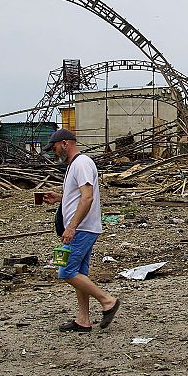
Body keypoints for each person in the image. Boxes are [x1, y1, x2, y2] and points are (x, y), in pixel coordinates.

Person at [42, 129, 120, 332]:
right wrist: (60, 198)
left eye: (55, 147)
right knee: (79, 273)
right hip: (82, 228)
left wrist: (71, 227)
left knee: (66, 271)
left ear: (65, 144)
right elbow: (79, 195)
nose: (54, 152)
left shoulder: (82, 163)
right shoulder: (74, 166)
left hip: (82, 228)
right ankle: (83, 320)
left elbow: (87, 197)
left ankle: (108, 301)